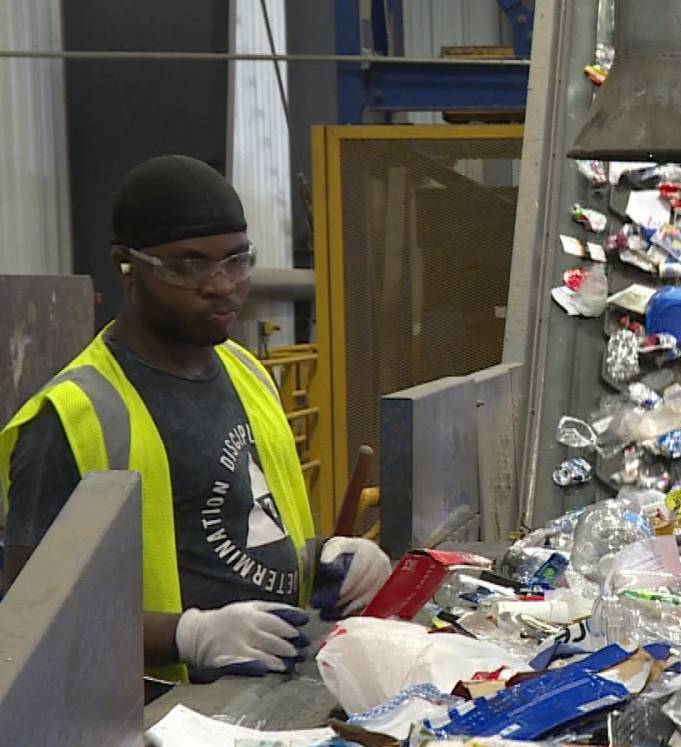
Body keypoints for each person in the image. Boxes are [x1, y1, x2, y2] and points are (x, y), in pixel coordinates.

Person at [0, 155, 391, 681]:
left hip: (268, 695)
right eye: (189, 266)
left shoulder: (247, 373)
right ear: (126, 264)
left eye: (237, 260)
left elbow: (245, 528)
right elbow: (30, 618)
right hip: (154, 724)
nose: (221, 284)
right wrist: (188, 636)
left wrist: (331, 555)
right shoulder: (72, 417)